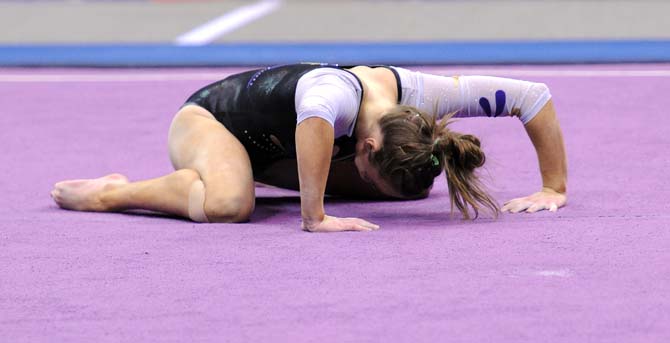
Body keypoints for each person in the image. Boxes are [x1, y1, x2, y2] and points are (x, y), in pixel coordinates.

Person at [51, 63, 567, 232]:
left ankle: (236, 175)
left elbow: (532, 97)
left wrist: (553, 187)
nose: (364, 177)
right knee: (231, 205)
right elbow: (314, 122)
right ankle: (112, 192)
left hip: (272, 148)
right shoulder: (331, 97)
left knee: (408, 192)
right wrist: (315, 217)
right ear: (366, 145)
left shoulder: (423, 97)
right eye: (369, 170)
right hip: (209, 121)